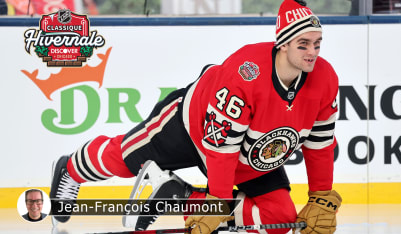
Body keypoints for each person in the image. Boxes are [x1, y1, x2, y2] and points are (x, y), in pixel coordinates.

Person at [49, 0, 342, 233]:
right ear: (283, 44)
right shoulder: (245, 75)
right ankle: (70, 168)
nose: (312, 53)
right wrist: (216, 202)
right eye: (303, 44)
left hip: (252, 156)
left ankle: (177, 196)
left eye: (317, 44)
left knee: (279, 218)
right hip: (192, 127)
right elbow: (221, 148)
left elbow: (320, 143)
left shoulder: (325, 79)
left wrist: (321, 197)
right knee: (124, 158)